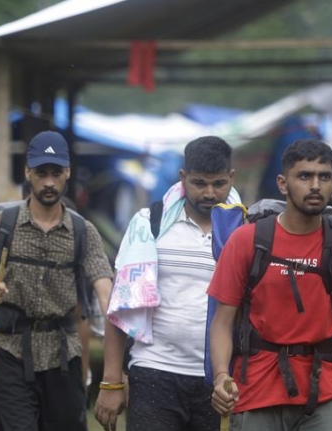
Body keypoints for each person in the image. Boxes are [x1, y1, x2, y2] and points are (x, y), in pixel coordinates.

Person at [0, 130, 114, 431]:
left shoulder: (82, 231)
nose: (49, 182)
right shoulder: (1, 225)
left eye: (56, 173)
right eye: (41, 173)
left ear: (68, 173)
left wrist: (111, 312)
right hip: (10, 351)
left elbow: (103, 284)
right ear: (27, 172)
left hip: (64, 354)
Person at [94, 136, 239, 431]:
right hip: (154, 371)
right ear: (182, 177)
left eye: (219, 184)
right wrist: (111, 381)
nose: (209, 193)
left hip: (222, 382)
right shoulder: (150, 225)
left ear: (231, 178)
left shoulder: (246, 232)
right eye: (199, 183)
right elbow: (121, 304)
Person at [209, 139, 332, 430]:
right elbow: (222, 321)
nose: (315, 185)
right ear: (283, 184)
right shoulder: (247, 241)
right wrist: (222, 376)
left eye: (323, 177)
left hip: (325, 391)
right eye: (304, 176)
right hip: (257, 388)